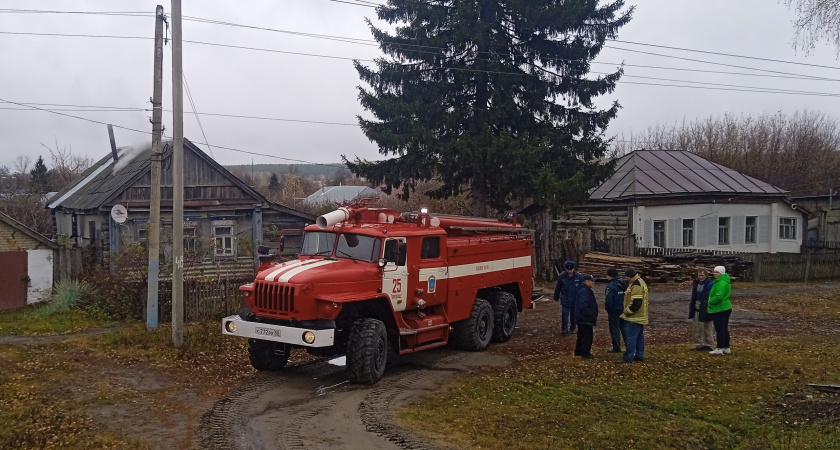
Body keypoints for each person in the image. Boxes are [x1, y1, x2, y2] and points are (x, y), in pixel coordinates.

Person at [617, 268, 648, 363]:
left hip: (635, 316)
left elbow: (636, 303)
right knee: (639, 337)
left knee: (631, 337)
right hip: (640, 316)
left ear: (629, 276)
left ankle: (628, 357)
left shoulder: (636, 285)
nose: (626, 279)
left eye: (627, 277)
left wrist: (626, 312)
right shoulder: (640, 281)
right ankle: (639, 355)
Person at [707, 265, 733, 355]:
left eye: (717, 272)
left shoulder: (721, 283)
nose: (715, 274)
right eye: (714, 271)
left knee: (720, 329)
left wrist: (710, 302)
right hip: (726, 307)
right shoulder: (724, 281)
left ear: (721, 273)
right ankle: (726, 347)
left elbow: (719, 296)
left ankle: (720, 348)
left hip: (720, 308)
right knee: (724, 328)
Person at [553, 260, 583, 335]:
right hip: (565, 298)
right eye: (568, 269)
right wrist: (556, 296)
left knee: (573, 315)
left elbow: (582, 288)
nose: (569, 271)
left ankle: (573, 328)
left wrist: (582, 298)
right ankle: (564, 329)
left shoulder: (579, 277)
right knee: (564, 314)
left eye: (571, 269)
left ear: (573, 269)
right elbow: (558, 287)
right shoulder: (562, 276)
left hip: (575, 299)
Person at [689, 268, 714, 351]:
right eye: (699, 275)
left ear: (706, 275)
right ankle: (698, 344)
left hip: (706, 307)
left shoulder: (709, 285)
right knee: (696, 327)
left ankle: (708, 344)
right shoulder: (696, 284)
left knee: (707, 326)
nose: (700, 277)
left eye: (702, 275)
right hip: (697, 306)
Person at [604, 268, 627, 353]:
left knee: (615, 329)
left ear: (609, 276)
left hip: (614, 311)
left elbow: (609, 300)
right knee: (624, 328)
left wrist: (608, 309)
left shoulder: (611, 286)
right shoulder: (623, 283)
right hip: (624, 309)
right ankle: (629, 345)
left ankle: (616, 347)